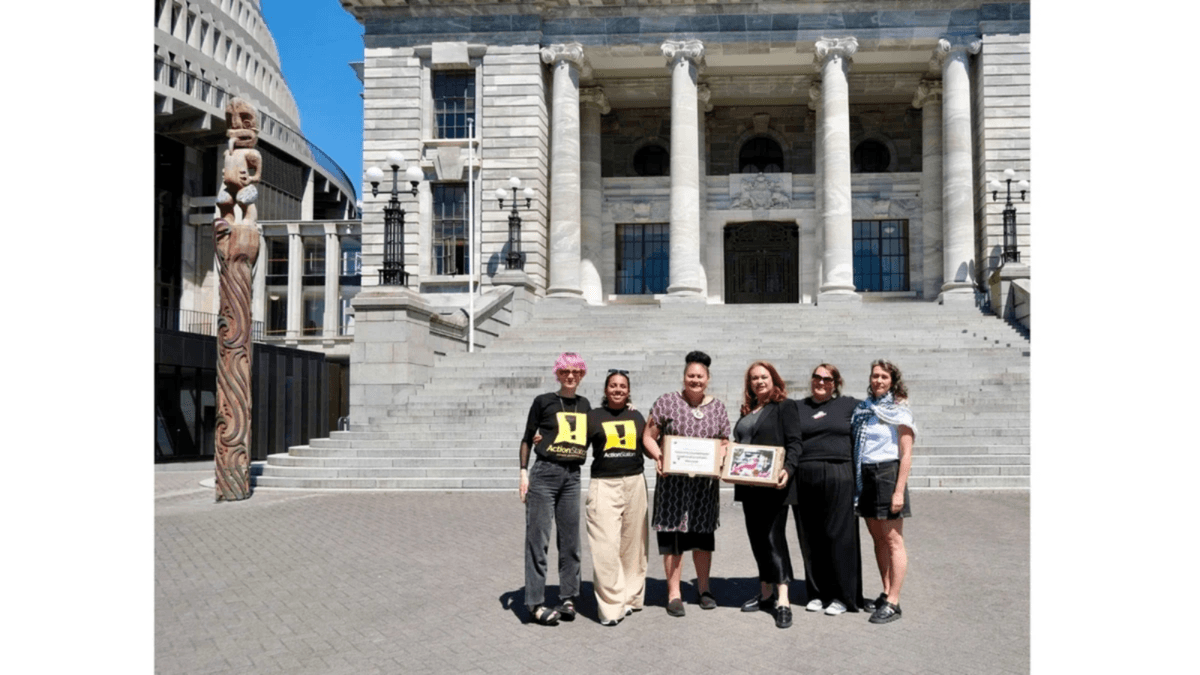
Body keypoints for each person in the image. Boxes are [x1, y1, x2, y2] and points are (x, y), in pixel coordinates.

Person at [643, 351, 731, 618]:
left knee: (703, 539)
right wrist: (659, 456)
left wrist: (722, 457)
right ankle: (674, 593)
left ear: (707, 378)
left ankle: (704, 589)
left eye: (700, 376)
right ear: (684, 377)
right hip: (672, 486)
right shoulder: (667, 403)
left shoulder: (717, 407)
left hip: (704, 489)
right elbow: (648, 436)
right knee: (673, 540)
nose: (695, 380)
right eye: (691, 376)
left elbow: (725, 441)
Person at [519, 352, 591, 626]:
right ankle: (534, 603)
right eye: (564, 372)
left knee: (571, 541)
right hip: (544, 475)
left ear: (582, 374)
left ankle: (568, 597)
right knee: (538, 540)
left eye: (575, 372)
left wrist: (629, 408)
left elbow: (601, 429)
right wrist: (523, 473)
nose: (570, 376)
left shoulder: (585, 405)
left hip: (572, 476)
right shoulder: (543, 401)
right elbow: (527, 438)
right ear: (557, 374)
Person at [791, 363, 865, 617]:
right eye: (817, 377)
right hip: (805, 475)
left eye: (827, 379)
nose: (821, 382)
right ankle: (816, 593)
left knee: (839, 536)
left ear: (835, 383)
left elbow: (875, 412)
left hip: (839, 474)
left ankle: (843, 595)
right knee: (810, 537)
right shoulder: (797, 407)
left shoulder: (849, 405)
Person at [732, 361, 802, 629]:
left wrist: (788, 469)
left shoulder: (785, 407)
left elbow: (795, 442)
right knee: (757, 539)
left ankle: (783, 599)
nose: (759, 381)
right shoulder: (748, 410)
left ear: (774, 379)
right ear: (749, 384)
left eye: (764, 377)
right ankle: (765, 594)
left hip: (774, 485)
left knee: (773, 539)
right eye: (754, 378)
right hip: (749, 486)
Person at [584, 369, 650, 626]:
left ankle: (631, 597)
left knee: (634, 545)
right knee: (605, 546)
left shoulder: (636, 416)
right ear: (605, 389)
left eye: (623, 386)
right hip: (604, 484)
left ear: (629, 390)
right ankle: (611, 607)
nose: (618, 390)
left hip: (634, 482)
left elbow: (648, 444)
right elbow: (576, 444)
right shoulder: (593, 416)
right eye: (613, 385)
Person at [852, 359, 916, 625]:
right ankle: (887, 591)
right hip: (865, 475)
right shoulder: (864, 409)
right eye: (875, 376)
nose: (878, 380)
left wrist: (899, 490)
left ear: (892, 381)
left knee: (893, 540)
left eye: (884, 377)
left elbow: (906, 453)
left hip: (888, 474)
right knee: (877, 538)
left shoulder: (899, 409)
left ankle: (894, 601)